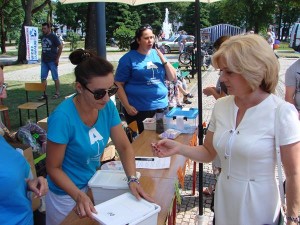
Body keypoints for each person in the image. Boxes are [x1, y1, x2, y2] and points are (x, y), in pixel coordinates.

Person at [152, 34, 300, 225]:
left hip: (259, 206)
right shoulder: (222, 106)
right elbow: (208, 152)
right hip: (224, 201)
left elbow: (294, 173)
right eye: (221, 71)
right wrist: (178, 148)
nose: (221, 78)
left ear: (253, 70)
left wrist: (293, 218)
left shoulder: (281, 111)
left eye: (229, 72)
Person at [45, 49, 152, 225]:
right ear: (79, 88)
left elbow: (124, 147)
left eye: (111, 90)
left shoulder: (107, 107)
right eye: (99, 93)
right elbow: (53, 168)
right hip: (64, 195)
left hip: (91, 184)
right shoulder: (63, 118)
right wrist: (78, 195)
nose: (106, 98)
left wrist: (132, 178)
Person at [115, 24, 176, 133]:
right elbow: (118, 84)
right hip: (139, 110)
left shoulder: (157, 54)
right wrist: (127, 106)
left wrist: (163, 59)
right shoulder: (128, 59)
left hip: (161, 106)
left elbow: (172, 77)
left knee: (161, 138)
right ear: (138, 40)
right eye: (146, 38)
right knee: (143, 143)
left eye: (152, 37)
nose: (150, 41)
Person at [39, 22, 63, 100]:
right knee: (43, 78)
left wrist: (57, 59)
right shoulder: (42, 37)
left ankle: (57, 93)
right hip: (44, 61)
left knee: (55, 77)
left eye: (45, 28)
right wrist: (42, 59)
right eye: (42, 28)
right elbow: (43, 49)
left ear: (49, 28)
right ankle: (44, 94)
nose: (43, 30)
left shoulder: (53, 37)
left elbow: (60, 47)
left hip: (52, 61)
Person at [203, 36, 230, 100]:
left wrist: (211, 90)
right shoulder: (228, 67)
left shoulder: (229, 68)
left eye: (216, 51)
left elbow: (223, 99)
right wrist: (214, 89)